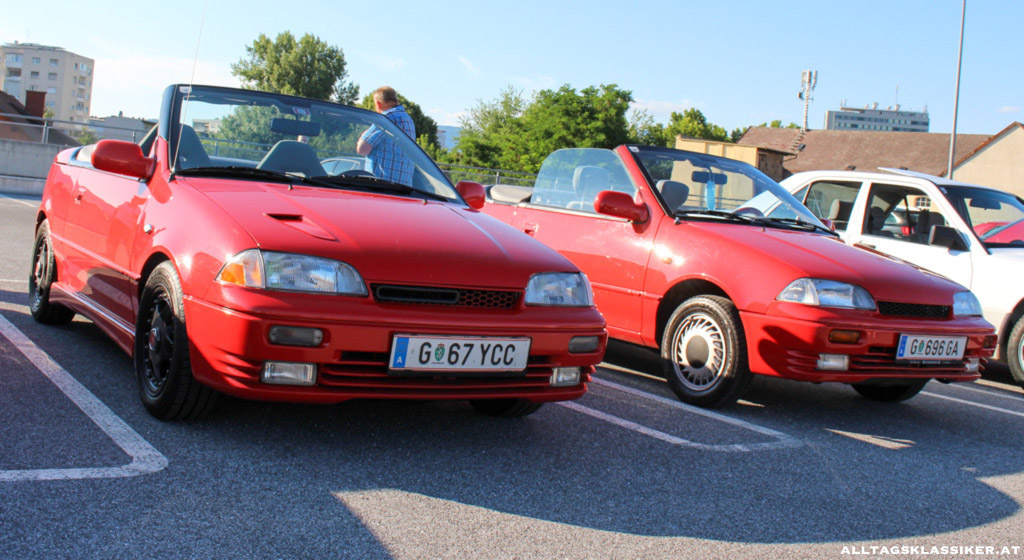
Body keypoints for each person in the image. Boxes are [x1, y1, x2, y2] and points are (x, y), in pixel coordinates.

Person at [356, 86, 416, 185]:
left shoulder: (387, 119)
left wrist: (365, 133)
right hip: (404, 186)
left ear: (378, 103)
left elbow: (362, 149)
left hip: (381, 185)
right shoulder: (408, 119)